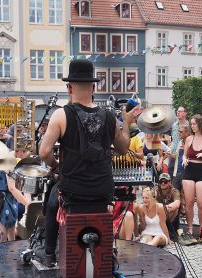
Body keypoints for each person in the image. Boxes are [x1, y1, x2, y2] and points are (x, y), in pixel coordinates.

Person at [37, 58, 132, 264]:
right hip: (102, 189)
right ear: (93, 87)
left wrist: (56, 167)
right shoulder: (108, 115)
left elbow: (44, 152)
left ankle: (49, 253)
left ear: (69, 87)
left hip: (73, 188)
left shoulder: (61, 115)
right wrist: (127, 123)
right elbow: (124, 148)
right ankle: (104, 254)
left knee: (52, 201)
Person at [179, 114, 202, 243]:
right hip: (189, 170)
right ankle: (190, 228)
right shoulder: (189, 139)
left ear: (200, 124)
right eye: (191, 124)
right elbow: (184, 155)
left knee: (201, 203)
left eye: (194, 123)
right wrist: (184, 159)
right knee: (189, 202)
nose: (192, 126)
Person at [154, 172, 181, 240]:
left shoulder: (174, 191)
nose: (163, 183)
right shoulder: (155, 190)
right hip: (157, 214)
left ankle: (169, 230)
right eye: (161, 181)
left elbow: (177, 203)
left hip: (169, 214)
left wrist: (165, 208)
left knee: (175, 210)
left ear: (169, 182)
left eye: (165, 181)